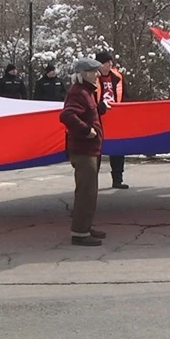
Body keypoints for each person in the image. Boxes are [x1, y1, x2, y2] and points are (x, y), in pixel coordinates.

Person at [60, 58, 112, 247]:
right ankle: (80, 233)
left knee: (90, 192)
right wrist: (86, 131)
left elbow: (85, 113)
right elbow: (67, 115)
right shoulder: (78, 92)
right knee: (86, 192)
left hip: (91, 150)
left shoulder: (87, 92)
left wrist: (100, 109)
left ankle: (86, 227)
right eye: (93, 71)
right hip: (84, 151)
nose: (97, 74)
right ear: (83, 73)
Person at [94, 52, 130, 189]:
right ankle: (92, 181)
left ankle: (117, 179)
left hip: (116, 117)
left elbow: (125, 95)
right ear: (99, 64)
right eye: (106, 62)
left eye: (110, 61)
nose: (110, 64)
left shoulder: (117, 77)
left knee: (118, 148)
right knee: (96, 149)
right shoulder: (92, 77)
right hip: (98, 117)